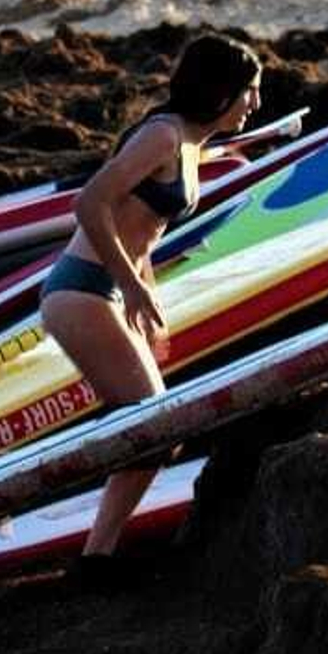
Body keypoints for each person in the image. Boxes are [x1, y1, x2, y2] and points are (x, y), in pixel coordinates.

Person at [39, 33, 262, 579]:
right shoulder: (163, 136)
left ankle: (99, 553)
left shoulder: (188, 141)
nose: (255, 104)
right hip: (82, 288)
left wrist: (146, 294)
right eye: (250, 91)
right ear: (220, 91)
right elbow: (89, 202)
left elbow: (143, 228)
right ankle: (95, 557)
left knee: (152, 427)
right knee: (154, 425)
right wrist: (128, 285)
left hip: (106, 292)